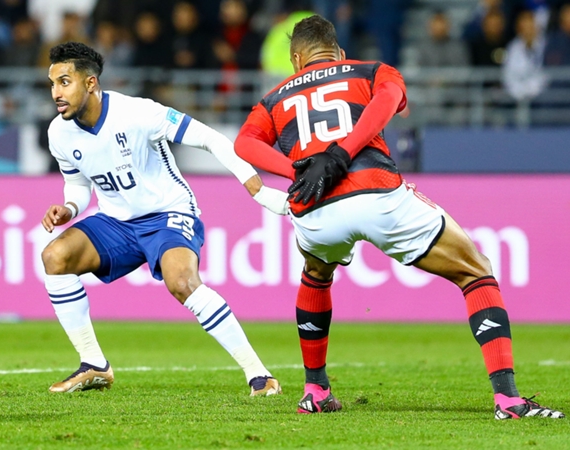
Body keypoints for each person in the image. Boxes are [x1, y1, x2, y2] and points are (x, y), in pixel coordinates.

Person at [234, 14, 564, 419]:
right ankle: (508, 400)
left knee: (316, 273)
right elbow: (388, 101)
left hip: (315, 207)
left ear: (296, 60)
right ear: (339, 52)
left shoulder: (274, 97)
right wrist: (343, 152)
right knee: (476, 272)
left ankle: (316, 390)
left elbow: (244, 143)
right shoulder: (371, 70)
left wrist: (299, 170)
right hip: (376, 193)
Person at [40, 42, 289, 396]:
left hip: (167, 213)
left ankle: (259, 375)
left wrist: (258, 189)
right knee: (55, 257)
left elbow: (210, 138)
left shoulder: (139, 113)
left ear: (91, 83)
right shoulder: (59, 133)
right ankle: (94, 364)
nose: (56, 93)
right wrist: (70, 207)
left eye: (64, 82)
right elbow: (77, 185)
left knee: (182, 282)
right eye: (52, 84)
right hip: (116, 223)